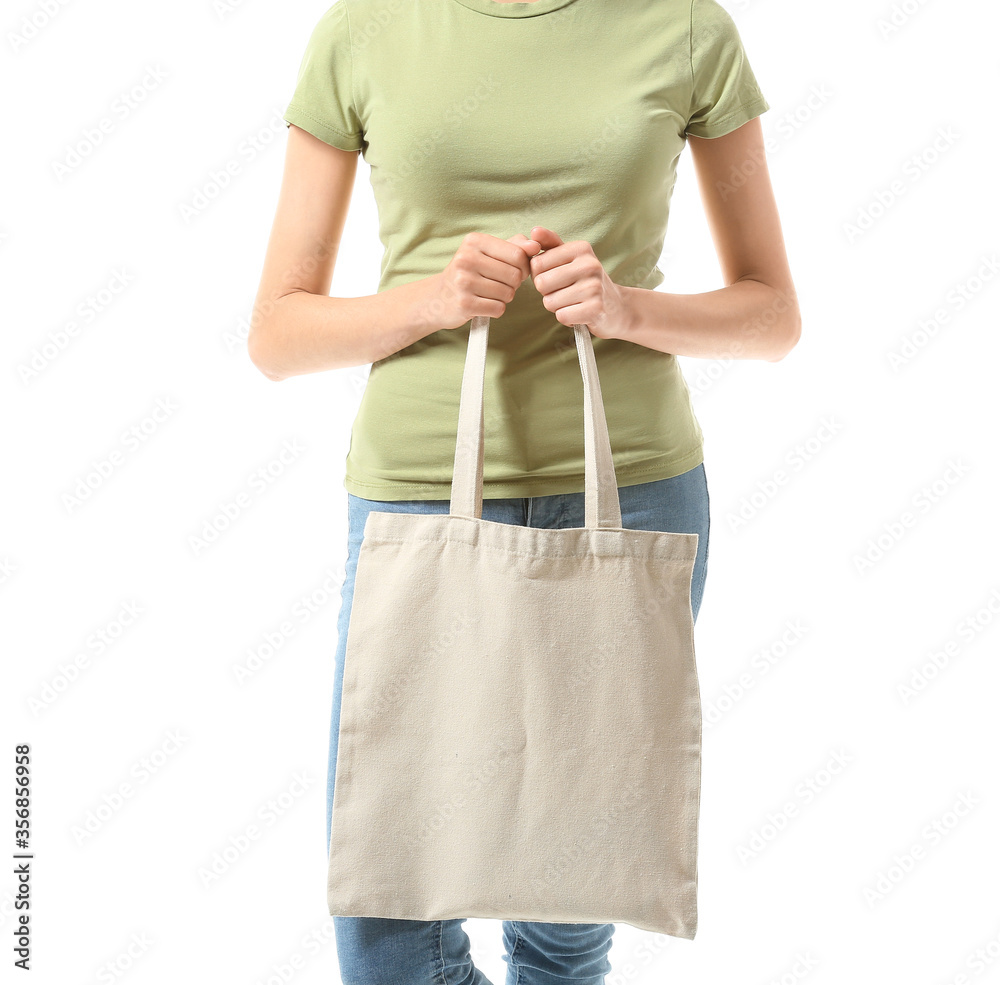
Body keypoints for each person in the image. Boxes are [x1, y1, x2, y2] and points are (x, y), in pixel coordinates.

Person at [250, 0, 800, 981]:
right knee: (386, 909)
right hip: (413, 496)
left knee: (567, 905)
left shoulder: (683, 28)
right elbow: (277, 334)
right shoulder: (364, 30)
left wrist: (628, 307)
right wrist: (426, 298)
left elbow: (772, 316)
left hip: (632, 494)